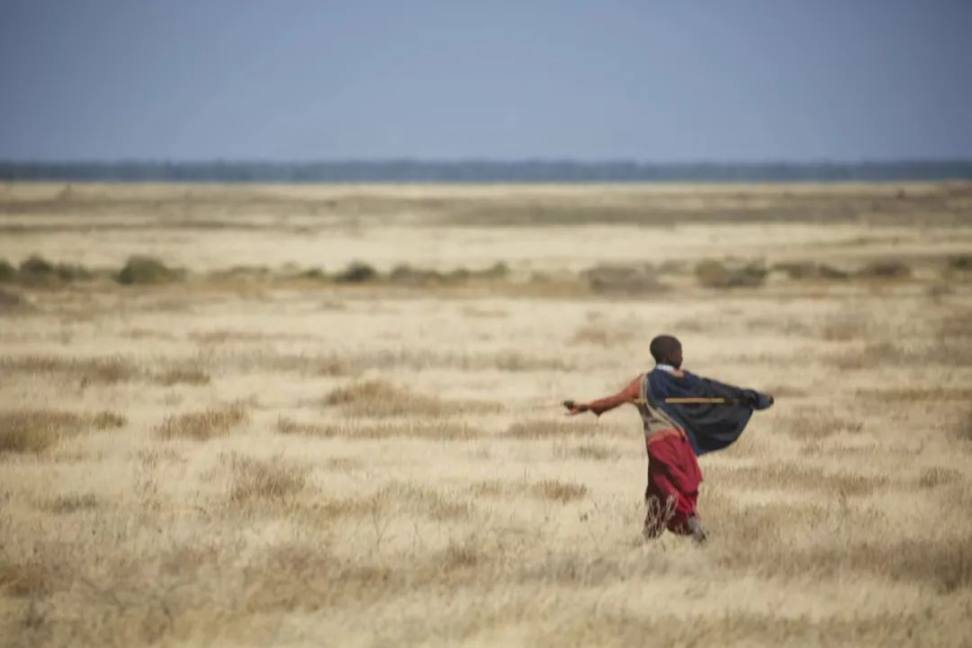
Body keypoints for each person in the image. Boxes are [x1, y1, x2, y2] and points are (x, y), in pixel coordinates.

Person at [564, 334, 773, 543]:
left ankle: (688, 522)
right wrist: (753, 398)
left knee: (666, 488)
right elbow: (721, 391)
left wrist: (586, 406)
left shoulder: (643, 382)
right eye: (679, 352)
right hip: (681, 444)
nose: (682, 356)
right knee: (664, 490)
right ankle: (651, 538)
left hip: (659, 444)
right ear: (669, 355)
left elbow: (615, 400)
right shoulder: (688, 380)